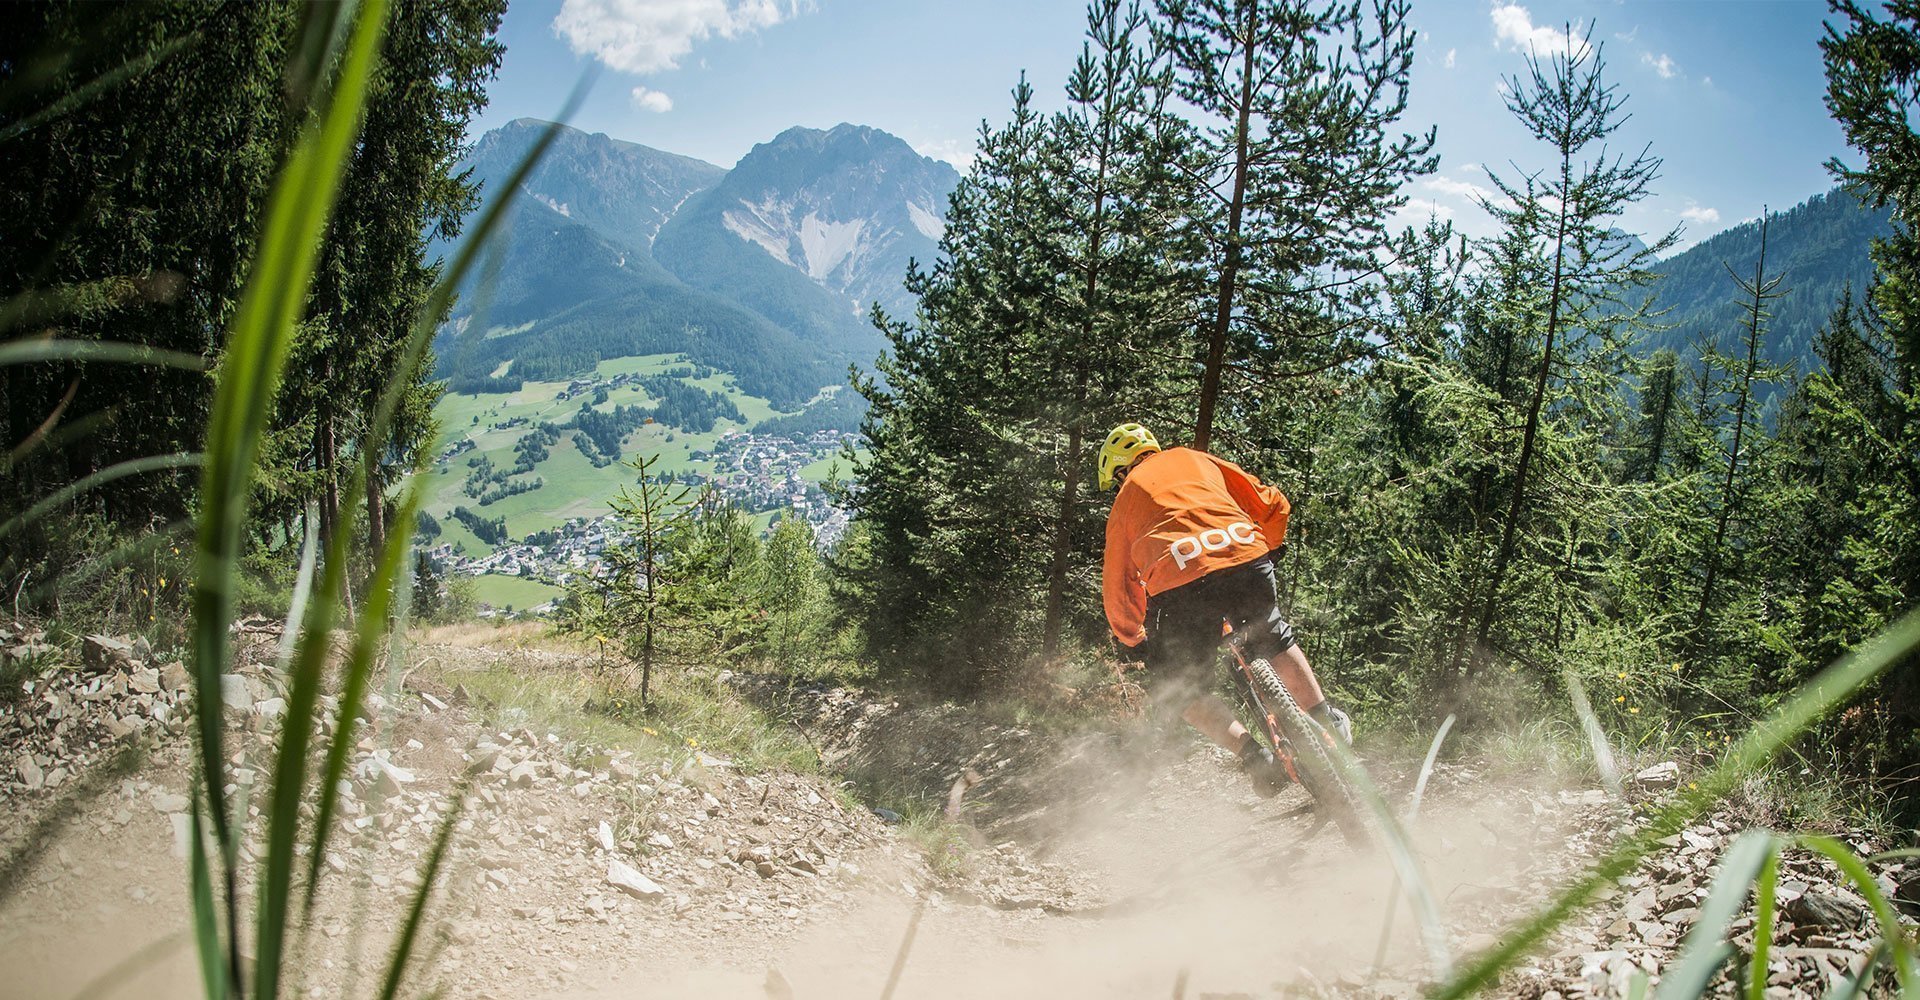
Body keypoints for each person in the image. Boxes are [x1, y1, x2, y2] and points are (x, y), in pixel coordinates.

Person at [1098, 422, 1351, 794]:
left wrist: (1133, 637)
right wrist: (1272, 546)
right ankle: (1327, 723)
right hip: (1243, 553)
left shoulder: (1125, 500)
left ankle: (1256, 759)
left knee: (1182, 689)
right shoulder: (1194, 459)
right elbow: (1270, 502)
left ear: (1119, 472)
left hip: (1180, 582)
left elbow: (1119, 587)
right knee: (1273, 635)